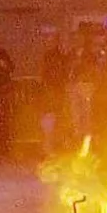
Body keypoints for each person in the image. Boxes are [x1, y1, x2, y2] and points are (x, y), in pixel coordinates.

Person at [37, 28, 70, 156]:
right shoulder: (51, 57)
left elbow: (60, 74)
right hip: (51, 92)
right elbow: (45, 74)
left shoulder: (59, 57)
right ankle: (48, 148)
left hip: (56, 92)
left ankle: (51, 148)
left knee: (53, 121)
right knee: (49, 121)